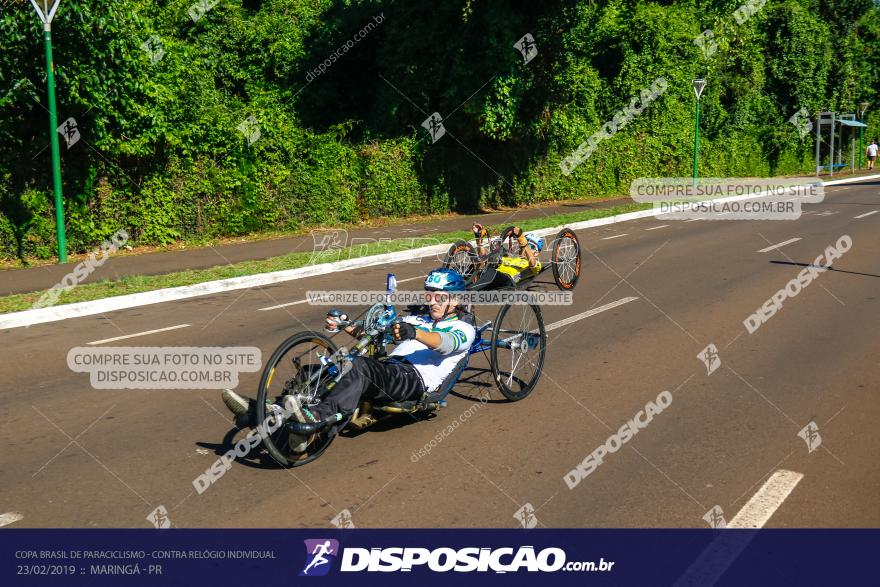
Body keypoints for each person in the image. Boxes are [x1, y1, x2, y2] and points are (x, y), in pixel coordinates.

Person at [221, 268, 475, 452]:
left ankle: (314, 419)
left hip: (414, 381)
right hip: (389, 370)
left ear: (456, 299)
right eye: (429, 294)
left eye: (439, 296)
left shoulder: (464, 328)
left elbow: (445, 344)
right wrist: (345, 326)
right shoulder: (417, 319)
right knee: (326, 368)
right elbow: (372, 336)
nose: (432, 301)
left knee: (360, 368)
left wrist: (415, 333)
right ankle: (267, 411)